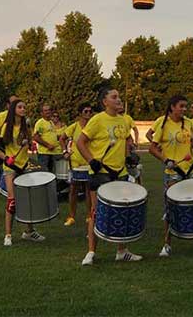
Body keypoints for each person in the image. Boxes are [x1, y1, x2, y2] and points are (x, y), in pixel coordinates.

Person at [77, 87, 143, 266]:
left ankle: (122, 251)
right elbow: (80, 142)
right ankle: (91, 252)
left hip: (120, 173)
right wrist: (91, 161)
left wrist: (129, 155)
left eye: (119, 97)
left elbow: (126, 141)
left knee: (122, 210)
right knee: (96, 213)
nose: (118, 100)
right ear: (105, 102)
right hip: (101, 173)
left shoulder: (123, 120)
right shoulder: (97, 120)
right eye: (114, 97)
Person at [149, 95, 193, 257]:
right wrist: (165, 159)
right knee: (170, 208)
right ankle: (167, 244)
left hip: (191, 170)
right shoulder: (163, 123)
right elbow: (152, 148)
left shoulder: (188, 123)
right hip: (173, 173)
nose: (184, 109)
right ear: (172, 107)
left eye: (185, 106)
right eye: (181, 106)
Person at [0, 97, 44, 246]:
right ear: (14, 109)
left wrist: (29, 143)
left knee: (28, 199)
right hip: (11, 168)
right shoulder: (6, 126)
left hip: (25, 166)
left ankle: (29, 231)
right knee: (12, 201)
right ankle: (8, 235)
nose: (23, 109)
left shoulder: (26, 126)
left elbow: (31, 145)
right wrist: (5, 158)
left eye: (24, 107)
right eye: (20, 107)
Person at [60, 103, 94, 226]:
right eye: (86, 111)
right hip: (75, 163)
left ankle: (90, 215)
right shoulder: (74, 127)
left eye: (90, 111)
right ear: (80, 113)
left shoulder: (93, 126)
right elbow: (62, 138)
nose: (89, 114)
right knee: (73, 189)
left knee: (89, 190)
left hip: (89, 161)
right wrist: (65, 151)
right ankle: (71, 216)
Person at [33, 104, 61, 173]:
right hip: (44, 153)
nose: (48, 112)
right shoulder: (41, 123)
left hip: (53, 153)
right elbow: (36, 137)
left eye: (49, 110)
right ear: (42, 113)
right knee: (44, 173)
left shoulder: (51, 122)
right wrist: (47, 145)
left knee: (51, 173)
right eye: (45, 110)